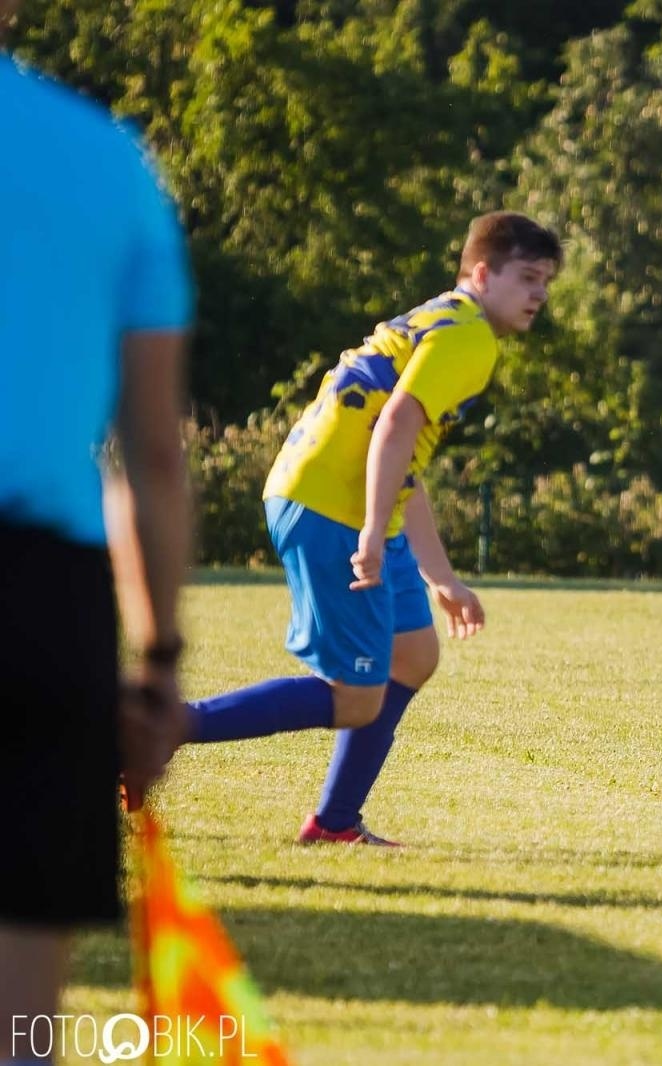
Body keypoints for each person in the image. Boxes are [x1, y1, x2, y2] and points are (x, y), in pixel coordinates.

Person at [183, 211, 562, 845]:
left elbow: (401, 460)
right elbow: (394, 428)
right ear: (482, 272)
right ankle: (160, 727)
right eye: (527, 278)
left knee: (412, 657)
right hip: (332, 506)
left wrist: (439, 576)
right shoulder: (471, 339)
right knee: (354, 696)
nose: (539, 295)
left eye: (547, 282)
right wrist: (367, 537)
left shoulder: (444, 315)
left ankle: (335, 824)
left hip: (330, 494)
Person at [0, 6, 195, 1057]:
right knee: (21, 1022)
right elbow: (151, 457)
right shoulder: (106, 157)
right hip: (42, 601)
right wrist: (157, 662)